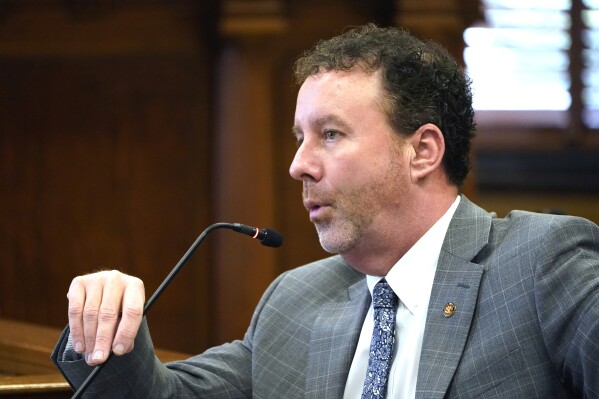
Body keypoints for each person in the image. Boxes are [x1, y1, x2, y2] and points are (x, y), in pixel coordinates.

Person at [52, 23, 599, 398]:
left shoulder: (538, 265)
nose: (298, 165)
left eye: (330, 135)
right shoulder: (296, 300)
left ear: (423, 151)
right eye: (299, 138)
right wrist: (103, 323)